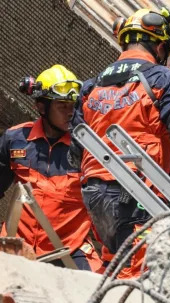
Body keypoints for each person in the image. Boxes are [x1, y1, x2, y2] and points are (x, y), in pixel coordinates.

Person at [70, 7, 170, 277]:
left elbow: (76, 147)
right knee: (137, 273)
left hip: (94, 191)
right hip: (138, 191)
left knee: (114, 261)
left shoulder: (91, 86)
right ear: (159, 45)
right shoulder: (163, 78)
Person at [0, 65, 102, 271]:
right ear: (42, 107)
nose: (70, 113)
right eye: (62, 106)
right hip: (16, 244)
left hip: (68, 249)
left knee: (98, 292)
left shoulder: (87, 148)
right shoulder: (16, 139)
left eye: (73, 106)